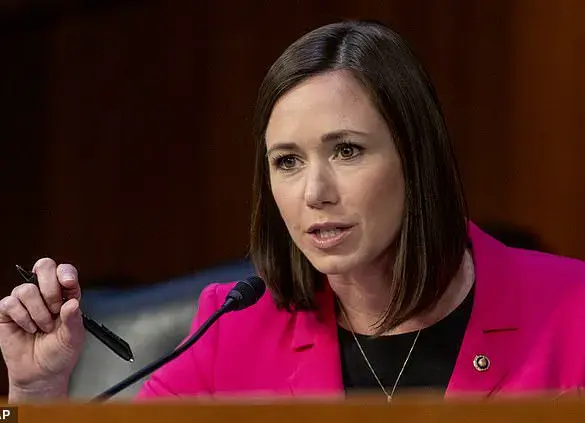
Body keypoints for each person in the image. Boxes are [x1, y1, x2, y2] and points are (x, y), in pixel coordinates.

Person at [2, 20, 585, 404]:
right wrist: (37, 392)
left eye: (347, 150)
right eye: (287, 161)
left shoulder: (572, 309)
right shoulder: (231, 335)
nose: (314, 192)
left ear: (417, 157)